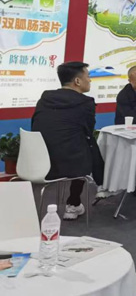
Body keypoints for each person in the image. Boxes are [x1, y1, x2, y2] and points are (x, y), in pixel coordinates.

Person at [31, 61, 104, 220]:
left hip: (39, 162)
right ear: (77, 81)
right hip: (71, 165)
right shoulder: (86, 103)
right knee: (88, 145)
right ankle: (74, 202)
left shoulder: (45, 98)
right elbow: (88, 132)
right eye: (88, 76)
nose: (90, 80)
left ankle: (97, 188)